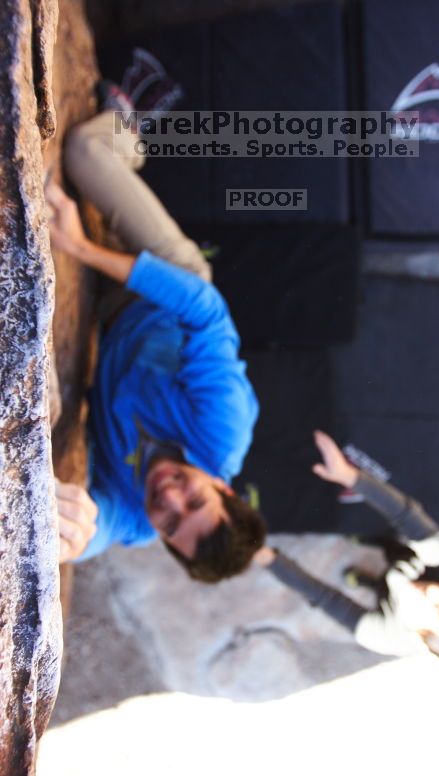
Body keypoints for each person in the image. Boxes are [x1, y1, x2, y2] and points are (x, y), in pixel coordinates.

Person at [47, 74, 265, 581]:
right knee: (83, 151)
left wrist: (74, 537)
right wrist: (80, 247)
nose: (168, 496)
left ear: (162, 538)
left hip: (104, 322)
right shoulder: (223, 429)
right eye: (194, 499)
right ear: (224, 488)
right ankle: (126, 130)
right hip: (160, 287)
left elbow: (99, 529)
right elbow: (206, 309)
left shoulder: (137, 518)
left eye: (170, 522)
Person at [254, 431, 439, 664]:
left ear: (423, 640)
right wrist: (350, 476)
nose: (425, 597)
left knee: (382, 586)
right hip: (403, 558)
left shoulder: (384, 637)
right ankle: (372, 542)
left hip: (395, 586)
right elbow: (407, 515)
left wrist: (269, 559)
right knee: (391, 545)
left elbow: (325, 598)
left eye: (428, 616)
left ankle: (368, 581)